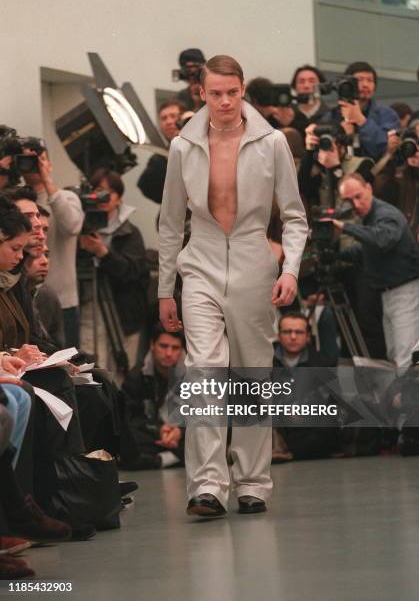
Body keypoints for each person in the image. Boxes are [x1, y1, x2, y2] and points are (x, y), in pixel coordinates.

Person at [158, 54, 308, 517]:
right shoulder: (184, 145)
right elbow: (168, 223)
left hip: (252, 260)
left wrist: (290, 269)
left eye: (232, 92)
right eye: (215, 93)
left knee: (250, 372)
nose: (224, 101)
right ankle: (206, 485)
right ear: (201, 92)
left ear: (243, 90)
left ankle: (253, 484)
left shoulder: (272, 143)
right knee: (204, 367)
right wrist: (165, 287)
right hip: (199, 259)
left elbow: (295, 216)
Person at [332, 173, 419, 368]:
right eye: (348, 200)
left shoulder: (386, 214)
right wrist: (334, 254)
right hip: (388, 293)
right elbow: (366, 251)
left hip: (405, 290)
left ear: (369, 188)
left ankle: (409, 397)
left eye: (358, 196)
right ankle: (401, 396)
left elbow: (382, 240)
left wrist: (345, 227)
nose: (355, 204)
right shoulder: (369, 218)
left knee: (405, 354)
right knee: (395, 354)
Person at [79, 168, 150, 372]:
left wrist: (103, 252)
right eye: (95, 192)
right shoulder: (79, 227)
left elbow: (131, 272)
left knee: (122, 373)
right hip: (88, 309)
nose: (99, 198)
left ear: (119, 198)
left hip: (123, 314)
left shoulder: (129, 232)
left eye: (105, 193)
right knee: (92, 370)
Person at [22, 149, 83, 348]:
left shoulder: (66, 197)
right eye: (25, 159)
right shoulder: (18, 203)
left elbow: (73, 225)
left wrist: (47, 181)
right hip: (25, 295)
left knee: (67, 366)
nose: (33, 165)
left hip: (63, 301)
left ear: (49, 163)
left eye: (38, 159)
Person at [272, 312, 341, 461]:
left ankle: (287, 452)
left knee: (328, 426)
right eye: (287, 332)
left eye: (299, 332)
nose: (293, 337)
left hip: (306, 425)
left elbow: (333, 402)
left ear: (308, 336)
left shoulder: (322, 363)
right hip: (274, 423)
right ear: (278, 335)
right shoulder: (265, 360)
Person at [120, 323, 185, 469]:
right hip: (151, 435)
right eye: (163, 346)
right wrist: (159, 431)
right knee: (125, 440)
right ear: (152, 345)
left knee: (207, 433)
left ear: (182, 350)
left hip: (180, 436)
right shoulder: (136, 376)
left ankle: (159, 460)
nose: (169, 353)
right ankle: (173, 458)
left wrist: (179, 432)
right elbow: (130, 418)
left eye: (175, 348)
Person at [323, 61, 400, 161]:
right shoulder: (331, 116)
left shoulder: (387, 114)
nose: (365, 85)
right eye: (360, 80)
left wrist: (362, 121)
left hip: (377, 173)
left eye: (370, 80)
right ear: (347, 84)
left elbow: (385, 148)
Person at [137, 100, 186, 205]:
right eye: (164, 118)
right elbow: (146, 187)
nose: (168, 122)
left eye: (173, 116)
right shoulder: (158, 159)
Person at [176, 48, 206, 112]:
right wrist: (197, 105)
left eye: (196, 70)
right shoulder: (180, 97)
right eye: (188, 71)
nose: (193, 74)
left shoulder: (216, 91)